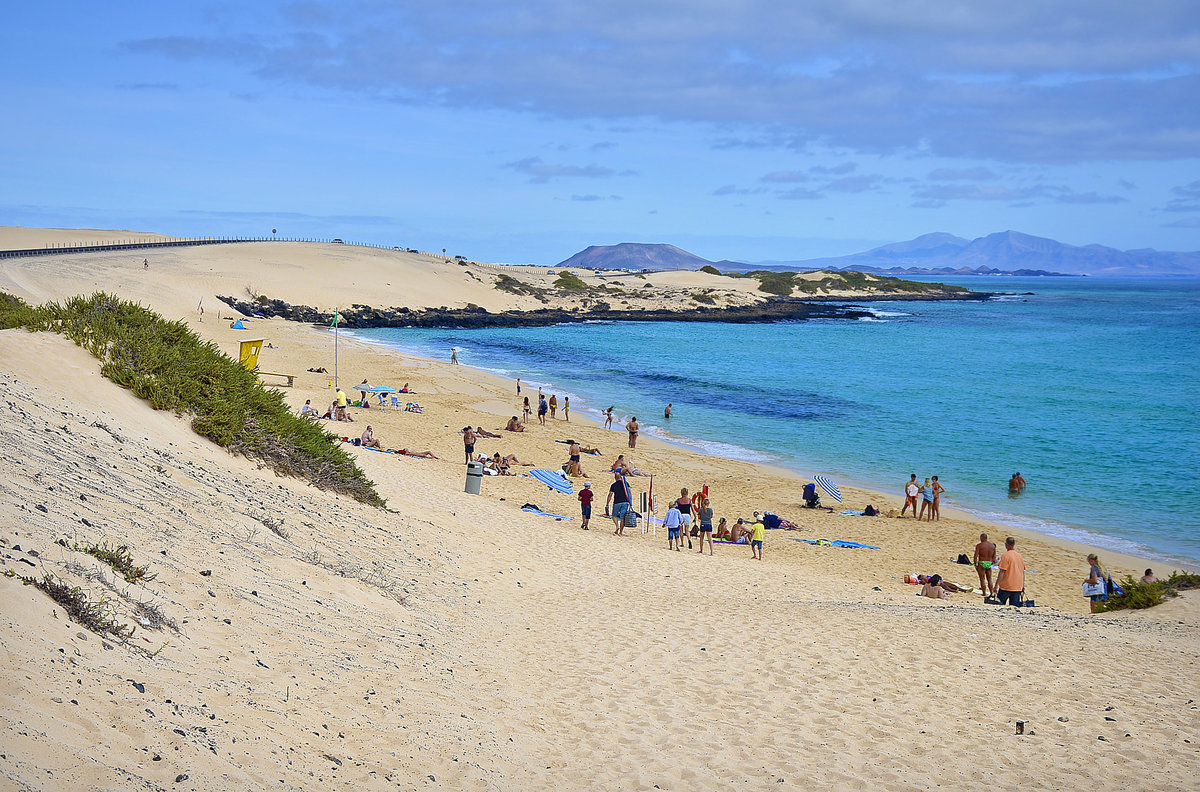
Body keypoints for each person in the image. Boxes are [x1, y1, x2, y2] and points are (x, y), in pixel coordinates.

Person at [995, 537, 1026, 606]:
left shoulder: (1005, 556)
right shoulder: (1019, 556)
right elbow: (1023, 572)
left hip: (1006, 586)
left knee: (999, 605)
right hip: (1017, 586)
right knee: (1014, 607)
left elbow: (1002, 572)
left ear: (1007, 545)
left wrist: (996, 586)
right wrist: (1023, 585)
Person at [606, 471, 632, 536]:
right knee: (622, 518)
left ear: (615, 478)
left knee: (614, 516)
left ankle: (617, 526)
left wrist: (607, 503)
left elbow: (610, 495)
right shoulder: (626, 483)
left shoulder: (613, 485)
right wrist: (630, 501)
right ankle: (620, 532)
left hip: (617, 502)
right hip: (625, 502)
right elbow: (629, 493)